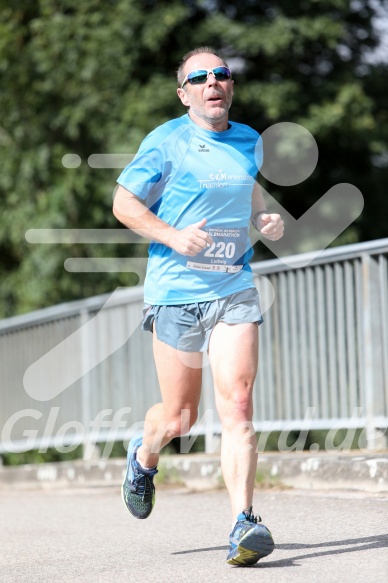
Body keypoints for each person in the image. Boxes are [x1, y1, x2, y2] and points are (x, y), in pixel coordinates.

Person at [112, 46, 284, 566]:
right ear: (184, 92)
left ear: (230, 86)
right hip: (176, 294)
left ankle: (243, 524)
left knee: (237, 405)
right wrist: (171, 235)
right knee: (180, 417)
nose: (214, 83)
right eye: (200, 77)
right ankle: (144, 459)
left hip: (233, 286)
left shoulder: (250, 141)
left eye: (222, 74)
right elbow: (123, 203)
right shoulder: (166, 142)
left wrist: (266, 220)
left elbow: (249, 197)